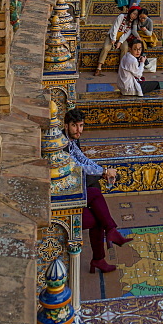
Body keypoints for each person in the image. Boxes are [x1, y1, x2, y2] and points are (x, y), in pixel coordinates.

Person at [64, 109, 132, 273]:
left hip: (74, 189)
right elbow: (76, 166)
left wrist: (104, 170)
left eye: (81, 126)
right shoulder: (61, 144)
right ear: (66, 126)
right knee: (96, 200)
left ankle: (99, 258)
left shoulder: (72, 139)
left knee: (98, 211)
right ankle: (111, 232)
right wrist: (102, 172)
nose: (79, 130)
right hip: (63, 197)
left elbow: (83, 159)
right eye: (74, 126)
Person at [94, 5, 139, 75]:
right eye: (133, 13)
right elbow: (115, 27)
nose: (134, 16)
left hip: (122, 38)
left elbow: (127, 33)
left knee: (125, 48)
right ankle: (99, 67)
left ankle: (121, 68)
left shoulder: (134, 23)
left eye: (136, 15)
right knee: (106, 48)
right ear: (130, 12)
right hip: (112, 35)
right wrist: (113, 39)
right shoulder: (121, 16)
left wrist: (120, 42)